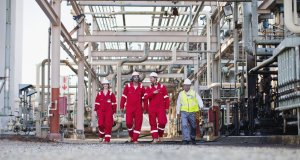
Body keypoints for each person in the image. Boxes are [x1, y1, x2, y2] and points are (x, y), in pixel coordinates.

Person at [120, 72, 147, 143]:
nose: (136, 78)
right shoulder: (128, 86)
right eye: (134, 77)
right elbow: (123, 97)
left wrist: (145, 108)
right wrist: (122, 106)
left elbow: (144, 99)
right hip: (129, 107)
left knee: (138, 124)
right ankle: (131, 135)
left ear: (139, 78)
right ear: (132, 78)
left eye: (137, 77)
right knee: (128, 123)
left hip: (138, 108)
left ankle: (135, 139)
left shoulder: (141, 87)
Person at [144, 72, 170, 143]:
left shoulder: (162, 87)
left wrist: (167, 107)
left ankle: (160, 135)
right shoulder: (148, 88)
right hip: (152, 108)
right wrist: (153, 93)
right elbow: (145, 97)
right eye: (150, 78)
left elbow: (167, 98)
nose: (150, 79)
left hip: (161, 108)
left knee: (162, 122)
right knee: (153, 123)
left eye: (151, 78)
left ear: (155, 78)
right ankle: (155, 138)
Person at [176, 78, 203, 145]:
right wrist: (178, 112)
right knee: (184, 125)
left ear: (190, 86)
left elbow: (199, 99)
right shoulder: (181, 94)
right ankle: (186, 139)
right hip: (184, 112)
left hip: (193, 112)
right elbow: (178, 103)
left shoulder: (193, 93)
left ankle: (193, 138)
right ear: (183, 86)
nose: (186, 87)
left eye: (188, 85)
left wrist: (201, 106)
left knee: (193, 126)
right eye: (185, 85)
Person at [94, 79, 117, 143]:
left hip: (109, 112)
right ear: (102, 85)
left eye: (106, 84)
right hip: (101, 111)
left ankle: (107, 139)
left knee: (108, 125)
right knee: (100, 124)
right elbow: (97, 103)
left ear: (108, 85)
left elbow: (114, 103)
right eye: (104, 84)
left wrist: (114, 112)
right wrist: (95, 110)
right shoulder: (99, 94)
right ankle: (101, 135)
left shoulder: (111, 94)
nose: (105, 85)